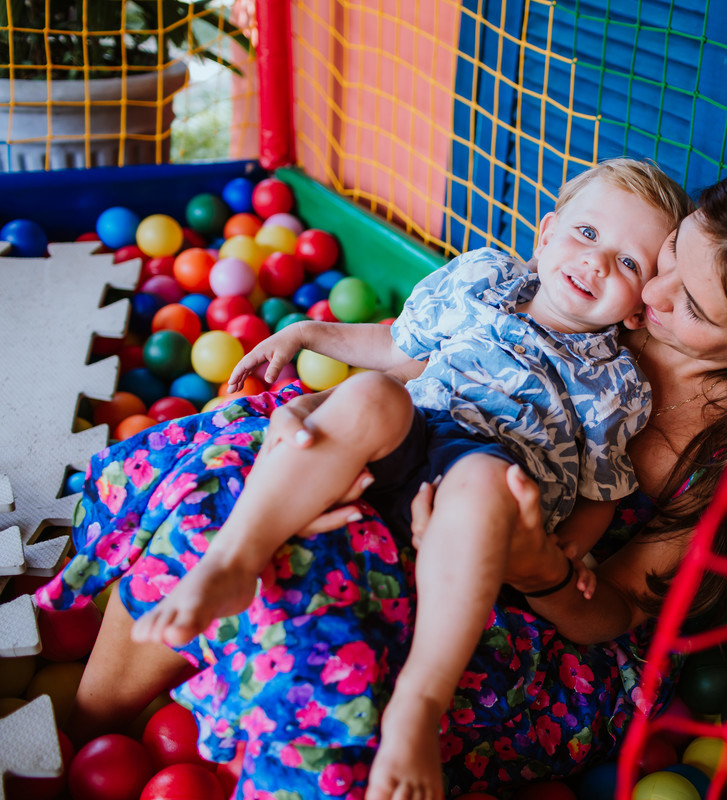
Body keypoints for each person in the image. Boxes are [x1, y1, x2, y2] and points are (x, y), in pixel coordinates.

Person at [35, 163, 727, 800]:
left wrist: (539, 563)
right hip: (410, 460)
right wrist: (307, 424)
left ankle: (362, 716)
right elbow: (415, 363)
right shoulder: (566, 288)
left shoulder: (723, 461)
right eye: (670, 257)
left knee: (325, 628)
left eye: (691, 304)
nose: (651, 293)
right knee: (229, 473)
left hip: (531, 607)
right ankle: (93, 729)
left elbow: (613, 611)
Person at [123, 157, 688, 799]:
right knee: (369, 396)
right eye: (587, 236)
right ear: (547, 231)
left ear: (641, 308)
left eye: (628, 264)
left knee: (483, 490)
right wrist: (306, 333)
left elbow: (599, 493)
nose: (596, 263)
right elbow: (396, 350)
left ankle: (416, 706)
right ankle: (231, 560)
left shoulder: (616, 385)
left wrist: (567, 550)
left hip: (488, 475)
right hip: (413, 428)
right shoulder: (482, 279)